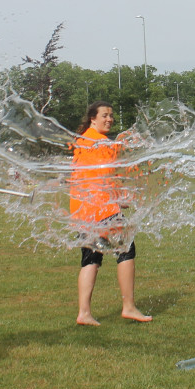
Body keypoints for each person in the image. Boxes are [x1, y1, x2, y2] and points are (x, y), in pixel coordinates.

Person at [70, 101, 151, 326]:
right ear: (92, 119)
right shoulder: (101, 143)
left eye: (111, 116)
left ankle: (84, 313)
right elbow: (105, 176)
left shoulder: (82, 141)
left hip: (82, 210)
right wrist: (116, 198)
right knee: (126, 249)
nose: (109, 119)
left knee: (91, 258)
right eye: (104, 115)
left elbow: (89, 177)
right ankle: (129, 307)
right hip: (102, 208)